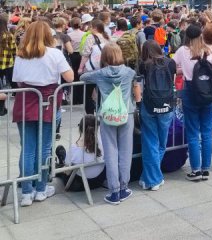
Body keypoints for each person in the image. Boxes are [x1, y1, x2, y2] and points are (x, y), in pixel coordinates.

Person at [13, 21, 74, 206]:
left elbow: (17, 82)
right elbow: (70, 77)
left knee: (28, 149)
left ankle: (26, 192)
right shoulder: (54, 53)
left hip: (25, 102)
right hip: (47, 103)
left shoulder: (21, 54)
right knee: (44, 148)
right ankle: (40, 189)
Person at [81, 43, 140, 205]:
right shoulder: (129, 72)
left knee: (111, 152)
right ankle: (124, 186)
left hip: (107, 115)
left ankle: (114, 191)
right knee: (125, 152)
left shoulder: (100, 74)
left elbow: (82, 77)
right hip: (126, 114)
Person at [173, 25, 212, 180]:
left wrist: (183, 69)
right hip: (208, 92)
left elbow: (172, 65)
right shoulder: (209, 51)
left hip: (190, 91)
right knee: (206, 132)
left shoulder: (182, 51)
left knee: (192, 132)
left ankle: (195, 169)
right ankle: (205, 169)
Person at [138, 40, 176, 191]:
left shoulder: (144, 65)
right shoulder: (170, 62)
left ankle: (152, 178)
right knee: (161, 142)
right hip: (167, 104)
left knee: (150, 142)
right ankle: (151, 177)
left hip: (149, 105)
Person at [55, 114, 106, 191]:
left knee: (62, 168)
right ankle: (60, 162)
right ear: (97, 127)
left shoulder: (75, 148)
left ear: (80, 128)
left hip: (78, 184)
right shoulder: (104, 142)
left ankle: (58, 165)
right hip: (99, 180)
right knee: (66, 160)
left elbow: (68, 172)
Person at [0, 13, 17, 113]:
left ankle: (1, 107)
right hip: (8, 65)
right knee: (11, 86)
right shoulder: (9, 35)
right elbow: (14, 51)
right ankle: (2, 107)